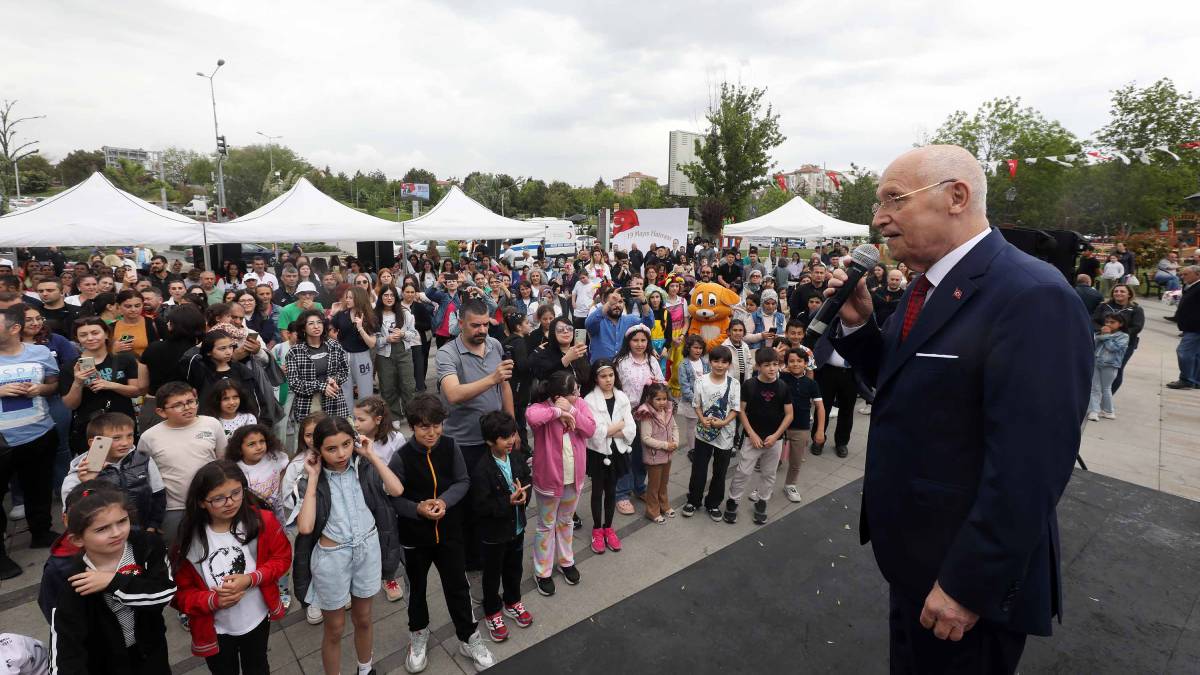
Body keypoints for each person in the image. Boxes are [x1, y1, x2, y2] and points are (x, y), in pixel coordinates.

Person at [827, 145, 1092, 673]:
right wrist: (859, 326)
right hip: (915, 559)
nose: (879, 218)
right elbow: (905, 383)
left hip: (962, 582)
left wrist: (968, 585)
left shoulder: (1032, 295)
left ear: (957, 196)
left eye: (894, 200)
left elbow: (1030, 466)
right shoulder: (928, 285)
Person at [387, 394, 496, 673]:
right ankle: (418, 633)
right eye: (424, 426)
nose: (432, 432)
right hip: (414, 538)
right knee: (417, 590)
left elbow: (462, 480)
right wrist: (418, 509)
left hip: (449, 533)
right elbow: (395, 499)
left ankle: (468, 636)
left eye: (437, 425)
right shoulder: (401, 458)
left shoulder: (450, 446)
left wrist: (444, 501)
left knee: (457, 586)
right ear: (412, 427)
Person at [291, 417, 403, 675]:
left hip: (367, 549)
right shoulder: (309, 480)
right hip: (332, 557)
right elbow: (306, 527)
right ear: (318, 450)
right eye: (331, 448)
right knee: (335, 627)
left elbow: (396, 489)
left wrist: (372, 456)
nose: (341, 453)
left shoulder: (364, 467)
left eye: (346, 444)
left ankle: (365, 669)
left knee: (363, 619)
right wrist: (312, 476)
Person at [44, 481, 175, 674]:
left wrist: (112, 582)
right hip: (103, 664)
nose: (116, 533)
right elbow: (65, 643)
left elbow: (165, 593)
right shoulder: (72, 577)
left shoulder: (148, 546)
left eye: (122, 521)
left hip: (151, 653)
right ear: (77, 539)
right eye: (101, 529)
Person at [173, 460, 292, 673]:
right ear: (201, 502)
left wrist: (251, 578)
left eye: (237, 493)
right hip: (216, 629)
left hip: (257, 618)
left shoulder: (261, 521)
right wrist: (212, 600)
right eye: (218, 498)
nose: (230, 502)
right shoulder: (188, 542)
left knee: (257, 665)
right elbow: (180, 595)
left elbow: (282, 557)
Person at [435, 298, 514, 576]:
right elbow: (453, 394)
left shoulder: (494, 346)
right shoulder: (448, 354)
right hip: (464, 443)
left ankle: (490, 549)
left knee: (495, 498)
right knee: (467, 505)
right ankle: (470, 561)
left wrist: (511, 426)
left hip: (494, 440)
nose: (482, 330)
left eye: (485, 324)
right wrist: (492, 378)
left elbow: (505, 388)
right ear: (459, 323)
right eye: (475, 325)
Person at [0, 304, 62, 572]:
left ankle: (41, 532)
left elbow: (53, 385)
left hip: (39, 433)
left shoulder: (40, 352)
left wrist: (42, 388)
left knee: (39, 488)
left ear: (14, 329)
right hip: (2, 442)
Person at [526, 370, 595, 596]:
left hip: (573, 479)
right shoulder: (542, 408)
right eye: (574, 392)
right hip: (549, 480)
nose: (579, 394)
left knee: (565, 521)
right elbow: (532, 417)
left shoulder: (580, 405)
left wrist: (572, 409)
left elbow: (591, 428)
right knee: (546, 525)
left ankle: (566, 561)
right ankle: (542, 571)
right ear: (558, 396)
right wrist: (558, 412)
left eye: (577, 391)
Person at [136, 382, 227, 545]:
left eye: (191, 401)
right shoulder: (149, 437)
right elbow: (145, 476)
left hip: (212, 503)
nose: (187, 408)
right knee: (176, 553)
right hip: (174, 509)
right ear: (161, 412)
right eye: (178, 405)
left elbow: (223, 461)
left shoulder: (212, 424)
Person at [472, 411, 534, 643]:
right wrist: (507, 501)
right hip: (494, 534)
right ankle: (492, 611)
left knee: (514, 567)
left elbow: (527, 479)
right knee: (492, 573)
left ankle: (512, 600)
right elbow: (480, 505)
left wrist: (523, 496)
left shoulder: (516, 458)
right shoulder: (482, 469)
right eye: (503, 437)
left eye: (512, 434)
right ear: (490, 440)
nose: (510, 440)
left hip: (516, 527)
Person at [61, 412, 165, 534]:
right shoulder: (77, 475)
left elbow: (158, 494)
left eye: (130, 435)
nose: (125, 443)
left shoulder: (143, 460)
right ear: (94, 442)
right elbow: (72, 517)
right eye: (116, 438)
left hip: (144, 532)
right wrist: (88, 483)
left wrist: (153, 525)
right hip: (107, 538)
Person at [724, 348, 792, 526]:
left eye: (775, 364)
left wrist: (776, 435)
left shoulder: (783, 387)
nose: (772, 369)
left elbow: (789, 415)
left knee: (769, 473)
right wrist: (751, 434)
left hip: (774, 440)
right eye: (767, 365)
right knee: (743, 471)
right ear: (758, 366)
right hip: (751, 438)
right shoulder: (750, 385)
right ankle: (733, 501)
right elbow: (742, 411)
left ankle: (762, 502)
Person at [582, 359, 634, 552]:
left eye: (611, 375)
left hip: (617, 452)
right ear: (595, 378)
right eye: (603, 376)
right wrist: (618, 426)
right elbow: (594, 431)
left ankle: (609, 528)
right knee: (597, 492)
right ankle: (597, 529)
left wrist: (612, 430)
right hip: (598, 454)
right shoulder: (589, 400)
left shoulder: (621, 397)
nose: (608, 379)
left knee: (611, 491)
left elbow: (631, 428)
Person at [684, 345, 740, 521]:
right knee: (699, 468)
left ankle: (713, 503)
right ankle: (693, 500)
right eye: (716, 361)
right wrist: (702, 418)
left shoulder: (734, 384)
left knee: (720, 471)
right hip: (703, 433)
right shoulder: (701, 381)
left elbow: (736, 409)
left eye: (724, 362)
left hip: (725, 435)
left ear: (729, 364)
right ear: (710, 362)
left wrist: (723, 422)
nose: (720, 365)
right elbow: (697, 404)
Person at [285, 309, 351, 422]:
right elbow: (294, 383)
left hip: (333, 398)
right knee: (311, 436)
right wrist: (321, 386)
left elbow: (345, 371)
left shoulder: (334, 345)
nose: (316, 326)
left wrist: (334, 380)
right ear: (303, 328)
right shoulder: (295, 352)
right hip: (308, 403)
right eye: (311, 323)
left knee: (336, 434)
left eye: (319, 322)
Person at [779, 348, 825, 503]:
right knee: (771, 461)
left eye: (799, 361)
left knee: (796, 461)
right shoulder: (781, 378)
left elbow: (820, 407)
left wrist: (819, 431)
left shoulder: (812, 384)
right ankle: (764, 486)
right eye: (791, 361)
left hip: (801, 427)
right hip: (780, 427)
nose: (795, 364)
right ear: (786, 364)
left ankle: (790, 485)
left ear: (806, 363)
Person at [634, 383, 678, 523]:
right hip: (654, 457)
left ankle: (664, 506)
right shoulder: (647, 415)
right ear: (650, 399)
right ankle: (652, 511)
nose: (662, 402)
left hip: (667, 455)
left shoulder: (668, 411)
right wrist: (666, 445)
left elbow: (675, 427)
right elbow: (645, 438)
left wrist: (676, 442)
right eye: (658, 399)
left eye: (664, 399)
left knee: (663, 483)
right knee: (653, 486)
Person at [373, 285, 418, 421]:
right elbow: (372, 339)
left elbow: (413, 333)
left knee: (408, 385)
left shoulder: (404, 313)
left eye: (392, 295)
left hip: (404, 352)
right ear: (381, 298)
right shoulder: (375, 315)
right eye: (385, 295)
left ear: (396, 298)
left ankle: (411, 414)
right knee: (387, 387)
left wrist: (403, 334)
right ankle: (394, 416)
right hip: (384, 355)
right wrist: (386, 339)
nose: (389, 298)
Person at [1090, 284, 1144, 394]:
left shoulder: (1136, 309)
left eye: (1122, 291)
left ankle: (1107, 396)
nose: (1118, 293)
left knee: (1116, 369)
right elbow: (1093, 321)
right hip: (1102, 341)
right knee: (1096, 368)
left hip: (1124, 345)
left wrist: (1117, 334)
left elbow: (1137, 327)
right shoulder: (1104, 306)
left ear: (1129, 294)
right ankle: (1094, 394)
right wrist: (1102, 328)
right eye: (1116, 291)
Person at [585, 286, 653, 362]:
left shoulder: (630, 320)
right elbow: (589, 324)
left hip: (624, 369)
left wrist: (644, 301)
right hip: (601, 370)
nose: (617, 305)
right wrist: (609, 303)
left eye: (620, 302)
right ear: (604, 302)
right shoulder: (598, 320)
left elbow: (648, 324)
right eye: (614, 302)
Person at [1087, 314, 1129, 422]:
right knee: (1094, 387)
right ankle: (1094, 411)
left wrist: (1106, 336)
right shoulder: (1102, 334)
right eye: (1107, 322)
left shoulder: (1124, 336)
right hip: (1097, 362)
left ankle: (1109, 411)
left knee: (1106, 388)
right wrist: (1100, 335)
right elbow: (1094, 345)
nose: (1108, 324)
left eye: (1112, 322)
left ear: (1120, 324)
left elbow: (1113, 348)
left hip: (1110, 365)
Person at [1166, 265, 1200, 390]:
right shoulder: (1190, 285)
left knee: (1184, 352)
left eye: (1186, 274)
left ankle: (1186, 379)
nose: (1182, 276)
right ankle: (1196, 380)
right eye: (1182, 274)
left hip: (1195, 327)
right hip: (1190, 326)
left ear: (1197, 274)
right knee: (1195, 354)